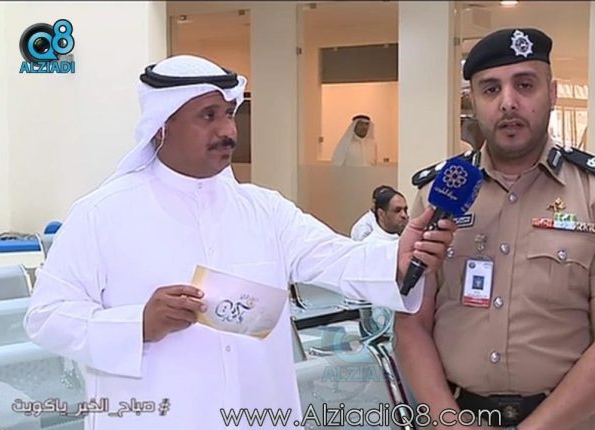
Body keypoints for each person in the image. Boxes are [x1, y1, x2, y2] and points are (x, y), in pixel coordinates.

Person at [23, 55, 456, 430]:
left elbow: (336, 258)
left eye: (230, 113)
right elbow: (46, 317)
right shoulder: (101, 215)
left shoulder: (264, 210)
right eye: (208, 116)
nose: (228, 130)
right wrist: (138, 324)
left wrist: (399, 258)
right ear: (161, 127)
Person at [395, 28, 595, 430]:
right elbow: (411, 326)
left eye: (525, 85)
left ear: (552, 93)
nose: (508, 102)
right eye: (490, 89)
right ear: (473, 101)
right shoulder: (438, 196)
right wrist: (449, 422)